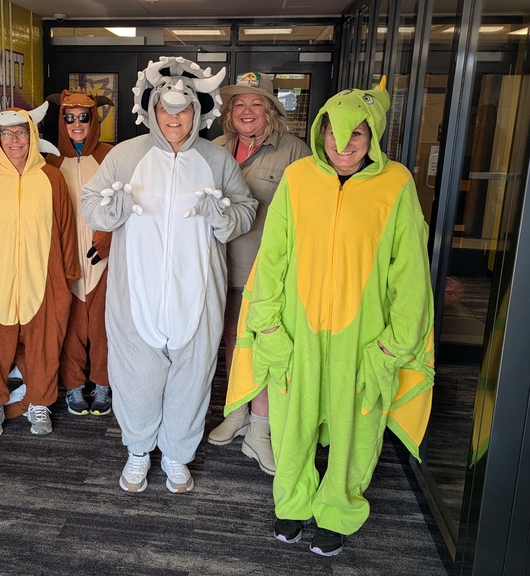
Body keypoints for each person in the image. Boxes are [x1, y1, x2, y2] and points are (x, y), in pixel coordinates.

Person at [229, 78, 435, 556]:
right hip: (295, 332)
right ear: (320, 132)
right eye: (333, 133)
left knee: (355, 430)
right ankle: (292, 504)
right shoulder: (299, 178)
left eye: (355, 134)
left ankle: (338, 511)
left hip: (363, 339)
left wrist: (393, 345)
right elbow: (272, 257)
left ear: (372, 136)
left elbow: (410, 273)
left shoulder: (396, 184)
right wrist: (268, 324)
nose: (343, 145)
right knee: (291, 424)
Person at [82, 56, 257, 494]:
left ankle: (178, 454)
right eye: (165, 108)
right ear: (152, 109)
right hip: (136, 292)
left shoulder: (217, 159)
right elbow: (90, 203)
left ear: (196, 111)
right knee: (136, 377)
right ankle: (138, 450)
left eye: (183, 110)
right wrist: (112, 211)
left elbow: (246, 209)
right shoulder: (125, 155)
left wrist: (223, 216)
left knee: (192, 378)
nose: (174, 118)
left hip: (196, 292)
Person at [207, 72, 311, 476]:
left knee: (267, 346)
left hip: (268, 272)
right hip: (221, 268)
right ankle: (236, 412)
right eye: (239, 104)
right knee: (233, 340)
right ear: (229, 113)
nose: (247, 111)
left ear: (269, 110)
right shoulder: (215, 149)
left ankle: (260, 429)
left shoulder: (294, 151)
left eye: (256, 103)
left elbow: (308, 216)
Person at [0, 102, 79, 437]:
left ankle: (40, 401)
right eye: (7, 133)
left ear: (32, 135)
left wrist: (67, 276)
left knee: (45, 343)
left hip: (44, 276)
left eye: (21, 133)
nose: (14, 140)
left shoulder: (51, 178)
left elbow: (66, 229)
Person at [45, 90, 115, 417]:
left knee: (103, 324)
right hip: (65, 258)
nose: (76, 124)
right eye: (69, 117)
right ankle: (73, 384)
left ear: (93, 120)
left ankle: (102, 382)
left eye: (83, 117)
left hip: (103, 258)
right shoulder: (49, 161)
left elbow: (124, 203)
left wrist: (107, 239)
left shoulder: (110, 157)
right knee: (69, 323)